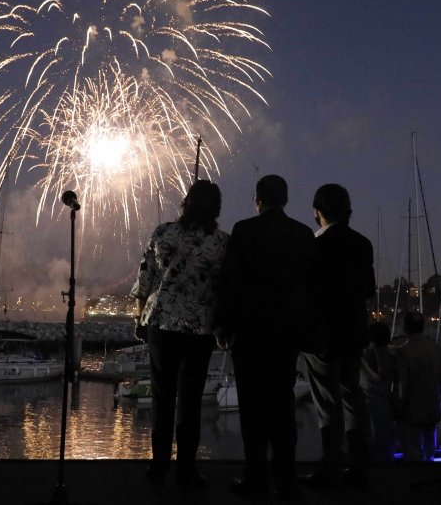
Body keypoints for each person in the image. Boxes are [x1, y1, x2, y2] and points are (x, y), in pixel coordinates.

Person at [214, 174, 314, 502]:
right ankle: (285, 477)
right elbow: (309, 288)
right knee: (283, 405)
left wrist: (223, 327)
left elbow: (229, 284)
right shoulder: (303, 234)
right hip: (286, 334)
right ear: (285, 199)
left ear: (257, 199)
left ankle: (255, 475)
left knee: (253, 409)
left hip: (250, 332)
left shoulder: (244, 231)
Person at [131, 180, 229, 492]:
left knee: (163, 396)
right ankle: (186, 469)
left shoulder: (164, 232)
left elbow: (145, 277)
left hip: (162, 322)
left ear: (186, 203)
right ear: (216, 208)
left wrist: (139, 319)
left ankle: (158, 465)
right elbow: (223, 290)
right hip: (199, 326)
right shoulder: (222, 243)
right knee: (190, 400)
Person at [300, 183, 375, 488]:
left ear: (317, 212)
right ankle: (358, 465)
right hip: (354, 331)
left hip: (322, 335)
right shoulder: (362, 243)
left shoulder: (314, 245)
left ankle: (330, 465)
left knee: (327, 402)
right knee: (352, 396)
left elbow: (307, 291)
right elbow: (367, 289)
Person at [395, 311, 441, 461]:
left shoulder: (403, 352)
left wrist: (397, 407)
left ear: (406, 328)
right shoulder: (437, 349)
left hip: (412, 410)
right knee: (430, 451)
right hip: (432, 407)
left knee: (413, 454)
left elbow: (402, 385)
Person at [360, 322, 398, 463]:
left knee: (374, 441)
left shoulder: (368, 355)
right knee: (386, 441)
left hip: (371, 402)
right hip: (387, 402)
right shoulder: (393, 354)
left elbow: (377, 378)